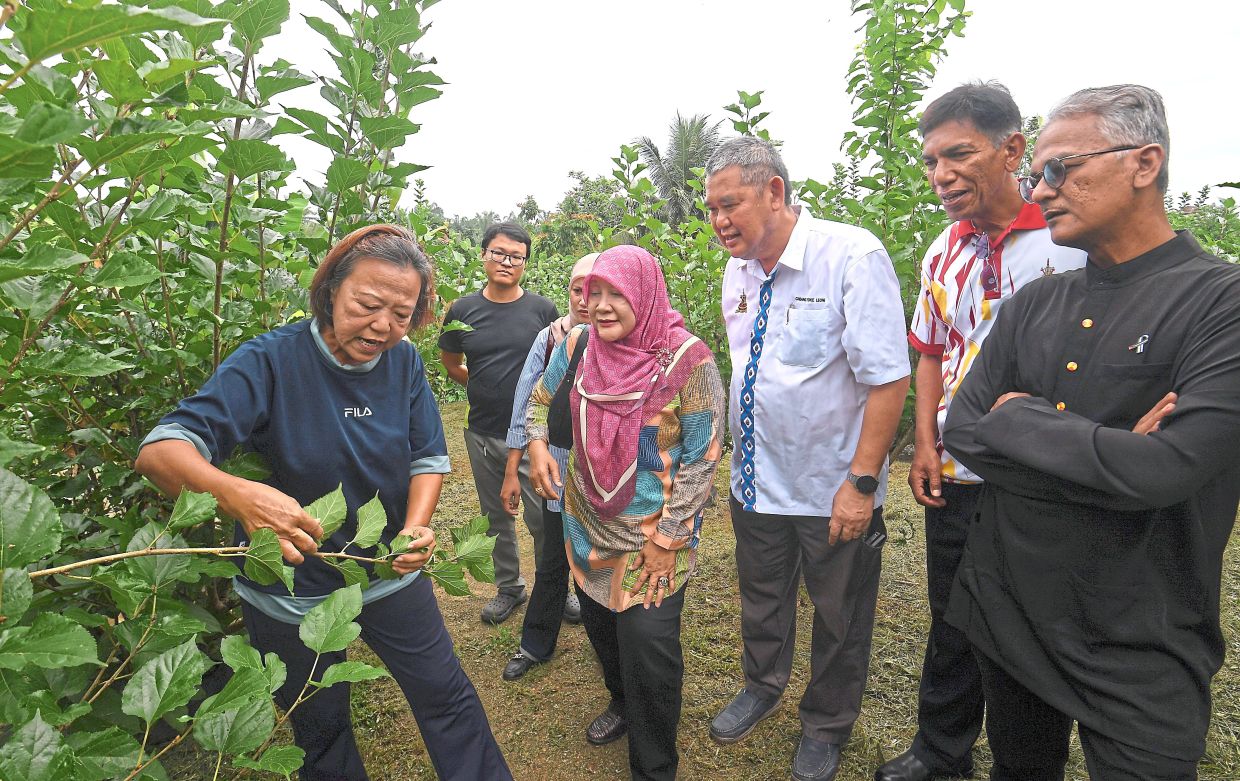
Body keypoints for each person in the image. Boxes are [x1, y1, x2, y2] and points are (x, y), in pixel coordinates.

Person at [134, 225, 512, 781]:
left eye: (402, 315)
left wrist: (413, 528)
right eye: (367, 304)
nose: (383, 326)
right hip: (289, 594)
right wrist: (238, 496)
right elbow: (159, 451)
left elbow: (426, 457)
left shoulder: (403, 362)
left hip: (386, 575)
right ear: (331, 289)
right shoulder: (269, 361)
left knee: (446, 695)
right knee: (319, 726)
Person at [942, 84, 1240, 780]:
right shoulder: (1036, 302)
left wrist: (1018, 417)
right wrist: (1114, 451)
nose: (1039, 191)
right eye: (1034, 175)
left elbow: (1167, 471)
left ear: (1144, 162)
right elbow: (961, 428)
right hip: (1010, 608)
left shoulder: (1219, 302)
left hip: (1142, 632)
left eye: (1058, 169)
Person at [878, 83, 1086, 781]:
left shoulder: (1069, 240)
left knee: (1030, 630)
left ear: (1013, 149)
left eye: (957, 154)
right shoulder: (945, 249)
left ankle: (1026, 763)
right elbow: (931, 350)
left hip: (1043, 476)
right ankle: (941, 752)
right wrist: (927, 443)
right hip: (959, 470)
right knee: (954, 614)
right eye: (932, 160)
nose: (940, 174)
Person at [704, 136, 911, 781]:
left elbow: (888, 379)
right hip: (757, 478)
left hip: (831, 486)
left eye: (729, 204)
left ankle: (825, 725)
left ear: (773, 191)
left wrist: (861, 482)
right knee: (761, 595)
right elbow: (749, 370)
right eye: (710, 209)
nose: (718, 222)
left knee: (840, 611)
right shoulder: (736, 272)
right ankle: (763, 684)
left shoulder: (850, 256)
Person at [526, 245, 725, 781]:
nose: (603, 305)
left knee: (649, 649)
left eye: (618, 293)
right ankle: (620, 702)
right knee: (601, 628)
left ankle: (654, 764)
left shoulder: (687, 361)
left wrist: (670, 536)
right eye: (595, 293)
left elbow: (703, 456)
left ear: (646, 293)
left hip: (650, 538)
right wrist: (538, 444)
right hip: (584, 523)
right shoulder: (578, 342)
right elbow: (539, 400)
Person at [439, 222, 562, 625]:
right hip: (480, 431)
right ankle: (509, 586)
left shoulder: (542, 310)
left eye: (516, 256)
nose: (507, 262)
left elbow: (557, 367)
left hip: (532, 436)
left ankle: (555, 586)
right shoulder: (462, 310)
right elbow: (451, 363)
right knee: (496, 517)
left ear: (525, 262)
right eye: (499, 253)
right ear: (484, 255)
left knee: (544, 515)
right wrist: (483, 387)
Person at [499, 252, 598, 681]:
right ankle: (535, 644)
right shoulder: (554, 338)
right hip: (558, 472)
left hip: (608, 482)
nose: (584, 297)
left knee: (600, 568)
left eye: (594, 288)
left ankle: (609, 649)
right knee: (554, 560)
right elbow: (527, 400)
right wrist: (512, 468)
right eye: (577, 287)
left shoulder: (629, 339)